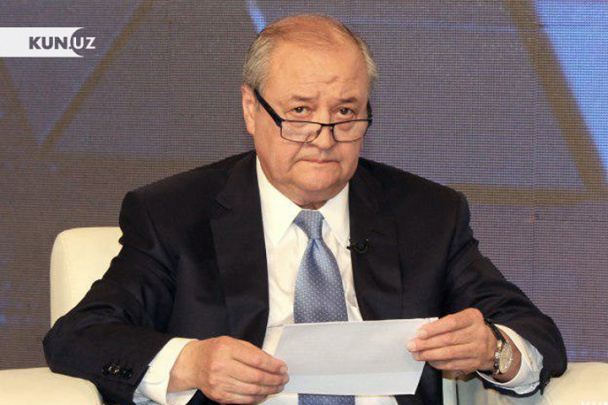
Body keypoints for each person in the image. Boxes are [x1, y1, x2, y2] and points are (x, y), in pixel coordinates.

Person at [44, 14, 567, 405]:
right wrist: (192, 362)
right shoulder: (173, 215)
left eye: (346, 113)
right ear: (252, 110)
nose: (324, 137)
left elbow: (538, 336)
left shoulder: (427, 214)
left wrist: (493, 349)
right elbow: (78, 336)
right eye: (299, 112)